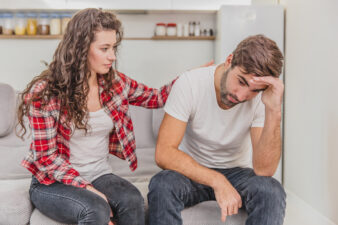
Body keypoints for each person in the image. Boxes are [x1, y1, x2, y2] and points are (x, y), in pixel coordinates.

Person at [17, 8, 179, 225]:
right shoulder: (46, 93)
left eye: (113, 48)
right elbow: (47, 158)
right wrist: (87, 189)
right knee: (95, 208)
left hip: (99, 174)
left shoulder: (115, 84)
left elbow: (156, 98)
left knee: (132, 200)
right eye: (104, 48)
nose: (112, 56)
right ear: (81, 49)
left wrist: (191, 79)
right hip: (51, 182)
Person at [148, 34, 286, 225]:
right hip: (192, 171)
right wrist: (218, 181)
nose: (242, 95)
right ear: (229, 61)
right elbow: (164, 153)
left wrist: (274, 110)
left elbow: (264, 169)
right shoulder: (190, 83)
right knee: (162, 184)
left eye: (254, 90)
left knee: (271, 190)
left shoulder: (261, 100)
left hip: (239, 172)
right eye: (241, 81)